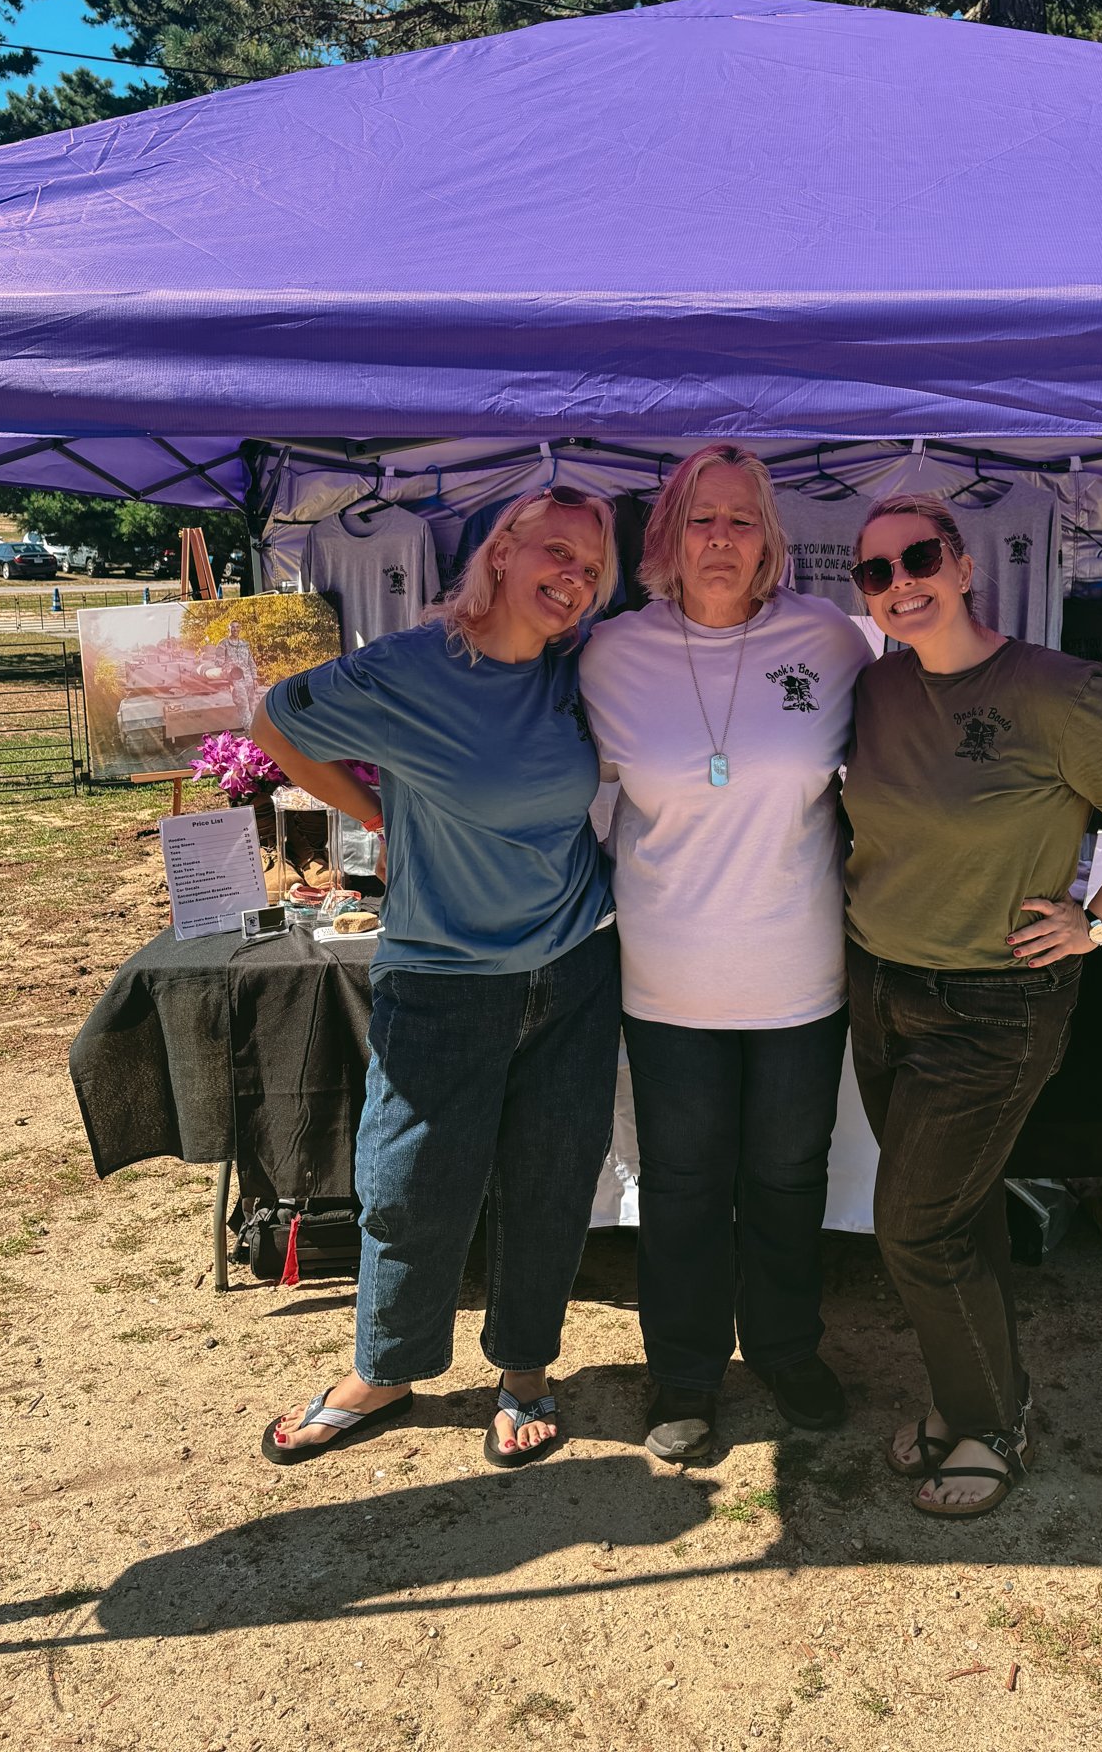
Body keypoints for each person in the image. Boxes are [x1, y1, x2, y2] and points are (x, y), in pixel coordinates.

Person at [841, 494, 1102, 1518]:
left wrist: (1097, 922)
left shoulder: (1059, 691)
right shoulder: (874, 687)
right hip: (878, 984)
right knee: (956, 1214)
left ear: (962, 565)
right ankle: (981, 1390)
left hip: (994, 1008)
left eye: (918, 558)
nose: (899, 583)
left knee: (914, 1225)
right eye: (875, 572)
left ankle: (990, 1422)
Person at [251, 487, 623, 1469]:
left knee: (551, 1182)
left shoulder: (572, 666)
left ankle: (527, 1371)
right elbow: (276, 716)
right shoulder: (410, 667)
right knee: (410, 1186)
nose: (575, 577)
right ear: (500, 552)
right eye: (557, 551)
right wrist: (370, 810)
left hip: (575, 963)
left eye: (592, 565)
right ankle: (385, 1365)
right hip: (442, 975)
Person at [579, 444, 874, 1462]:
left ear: (772, 539)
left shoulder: (830, 639)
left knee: (790, 1175)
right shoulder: (610, 654)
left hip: (802, 974)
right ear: (665, 535)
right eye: (700, 518)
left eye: (742, 519)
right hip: (666, 982)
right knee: (685, 1181)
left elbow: (890, 771)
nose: (720, 538)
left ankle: (788, 1348)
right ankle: (686, 1372)